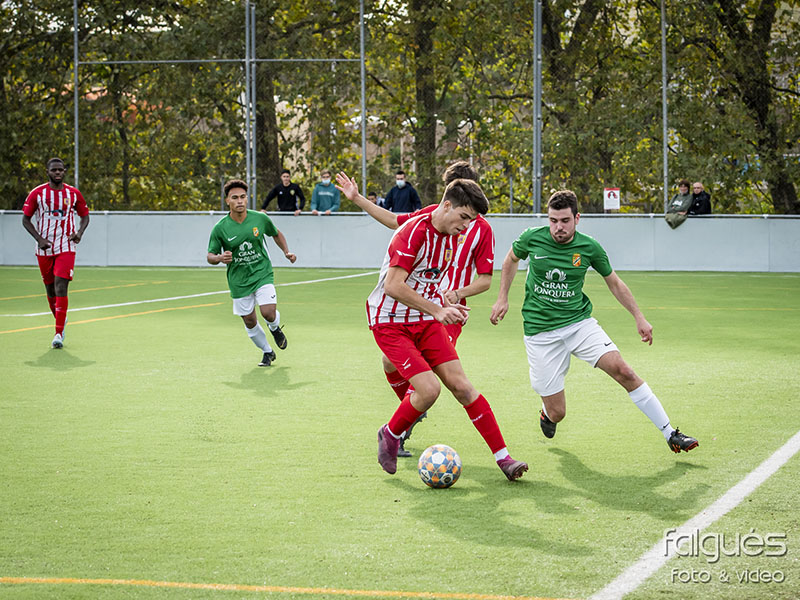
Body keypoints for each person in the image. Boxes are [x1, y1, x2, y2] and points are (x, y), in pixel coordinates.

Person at [338, 172, 527, 481]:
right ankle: (391, 433)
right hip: (390, 321)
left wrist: (448, 302)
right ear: (447, 205)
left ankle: (504, 458)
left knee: (462, 386)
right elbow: (393, 286)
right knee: (428, 389)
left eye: (471, 220)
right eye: (464, 217)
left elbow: (429, 281)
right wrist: (439, 309)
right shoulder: (414, 231)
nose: (466, 226)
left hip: (424, 318)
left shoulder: (452, 236)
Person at [490, 190, 699, 455]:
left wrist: (639, 317)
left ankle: (670, 433)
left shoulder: (589, 247)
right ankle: (547, 414)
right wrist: (502, 298)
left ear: (577, 218)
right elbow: (510, 259)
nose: (558, 227)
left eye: (565, 221)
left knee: (624, 371)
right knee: (558, 412)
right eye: (553, 220)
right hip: (540, 333)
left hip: (579, 324)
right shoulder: (532, 238)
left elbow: (615, 283)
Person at [207, 179, 296, 367]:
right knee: (249, 320)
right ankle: (267, 351)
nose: (239, 201)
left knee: (268, 312)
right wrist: (220, 258)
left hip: (262, 273)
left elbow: (276, 233)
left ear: (247, 199)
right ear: (227, 201)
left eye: (243, 197)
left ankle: (275, 328)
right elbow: (210, 256)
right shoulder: (220, 228)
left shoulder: (260, 218)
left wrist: (286, 251)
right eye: (235, 198)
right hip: (238, 281)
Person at [22, 157, 90, 349]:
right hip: (44, 248)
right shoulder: (37, 193)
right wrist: (39, 239)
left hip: (66, 246)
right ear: (48, 172)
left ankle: (58, 333)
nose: (58, 172)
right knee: (50, 289)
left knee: (61, 286)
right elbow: (25, 219)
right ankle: (61, 317)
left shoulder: (73, 193)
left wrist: (79, 233)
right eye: (54, 170)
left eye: (60, 169)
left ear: (64, 172)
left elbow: (85, 216)